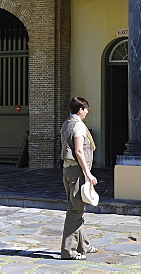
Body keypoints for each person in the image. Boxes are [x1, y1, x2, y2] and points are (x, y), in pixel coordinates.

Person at [59, 96, 98, 260]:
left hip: (67, 170)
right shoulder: (78, 126)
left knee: (77, 208)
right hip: (77, 172)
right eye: (86, 109)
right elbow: (79, 151)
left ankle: (84, 245)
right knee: (75, 211)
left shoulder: (66, 123)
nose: (87, 112)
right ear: (80, 110)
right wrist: (88, 173)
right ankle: (69, 251)